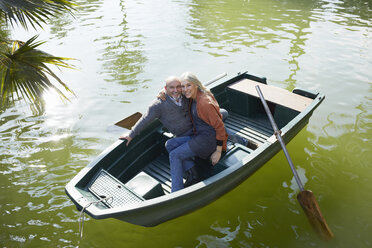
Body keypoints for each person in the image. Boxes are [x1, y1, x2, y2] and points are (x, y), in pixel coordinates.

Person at [166, 72, 228, 192]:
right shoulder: (193, 96)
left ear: (195, 85)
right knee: (170, 144)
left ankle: (176, 193)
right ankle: (193, 172)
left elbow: (220, 127)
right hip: (199, 135)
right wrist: (163, 93)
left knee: (175, 155)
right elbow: (174, 92)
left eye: (188, 85)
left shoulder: (204, 103)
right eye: (182, 87)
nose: (185, 90)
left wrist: (219, 151)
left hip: (208, 141)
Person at [119, 76, 193, 145]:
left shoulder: (185, 94)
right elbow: (145, 119)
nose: (176, 90)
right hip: (182, 136)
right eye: (172, 88)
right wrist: (131, 135)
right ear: (166, 88)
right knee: (171, 147)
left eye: (178, 87)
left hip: (197, 129)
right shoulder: (157, 105)